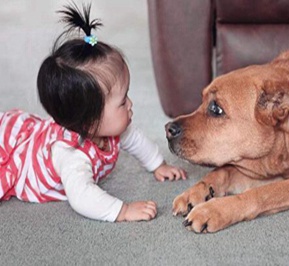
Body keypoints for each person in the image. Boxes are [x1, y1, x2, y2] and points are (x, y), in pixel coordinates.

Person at [0, 3, 186, 222]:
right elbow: (81, 197)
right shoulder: (72, 156)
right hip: (18, 153)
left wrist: (158, 164)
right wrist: (123, 211)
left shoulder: (112, 128)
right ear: (89, 122)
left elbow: (136, 140)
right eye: (122, 101)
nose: (131, 104)